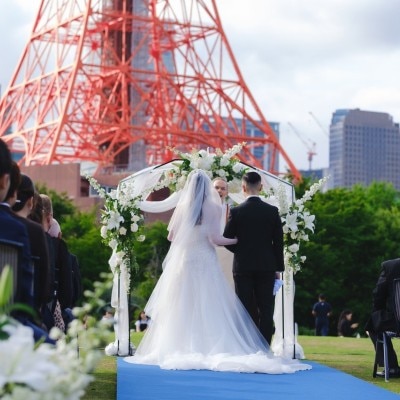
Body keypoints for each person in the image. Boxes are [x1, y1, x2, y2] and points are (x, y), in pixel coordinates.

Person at [124, 169, 311, 374]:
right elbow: (216, 240)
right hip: (209, 260)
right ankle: (252, 347)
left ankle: (179, 346)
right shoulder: (215, 207)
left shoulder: (184, 206)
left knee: (183, 305)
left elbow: (170, 237)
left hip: (185, 261)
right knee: (214, 305)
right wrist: (241, 243)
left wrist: (198, 240)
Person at [223, 171, 284, 345]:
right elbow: (278, 243)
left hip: (243, 266)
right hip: (267, 266)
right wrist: (278, 268)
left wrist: (241, 250)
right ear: (261, 187)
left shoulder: (236, 211)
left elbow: (227, 239)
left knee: (243, 307)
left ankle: (245, 345)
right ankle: (264, 347)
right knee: (266, 309)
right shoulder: (272, 211)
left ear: (243, 188)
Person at [365, 258, 400, 378]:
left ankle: (392, 367)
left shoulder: (391, 266)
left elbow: (378, 295)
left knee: (372, 323)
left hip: (396, 322)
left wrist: (377, 313)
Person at [213, 177, 234, 288]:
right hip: (209, 250)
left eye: (222, 188)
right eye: (216, 187)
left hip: (225, 252)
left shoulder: (230, 210)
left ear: (227, 192)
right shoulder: (204, 208)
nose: (219, 191)